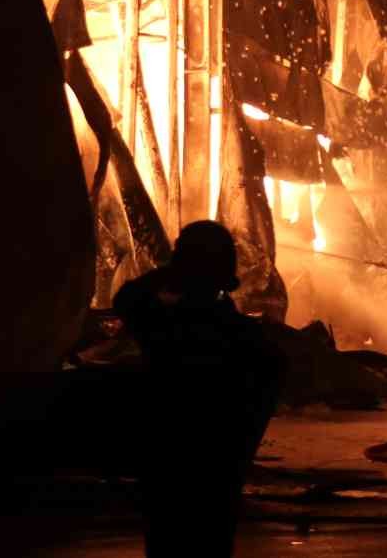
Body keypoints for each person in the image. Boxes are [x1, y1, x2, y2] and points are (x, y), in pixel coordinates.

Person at [113, 221, 286, 558]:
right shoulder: (244, 336)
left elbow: (127, 299)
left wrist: (169, 273)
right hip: (218, 480)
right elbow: (270, 380)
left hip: (169, 477)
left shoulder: (164, 328)